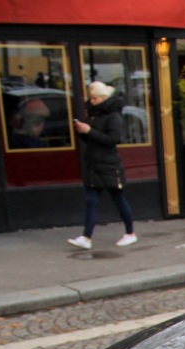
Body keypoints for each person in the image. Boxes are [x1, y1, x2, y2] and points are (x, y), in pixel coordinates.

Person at [67, 81, 136, 250]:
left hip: (109, 164)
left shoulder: (113, 116)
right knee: (91, 200)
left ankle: (130, 233)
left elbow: (113, 140)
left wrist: (89, 131)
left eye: (95, 98)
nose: (91, 101)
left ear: (103, 98)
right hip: (94, 163)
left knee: (118, 199)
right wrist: (82, 131)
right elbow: (91, 139)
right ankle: (86, 237)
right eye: (90, 98)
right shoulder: (93, 114)